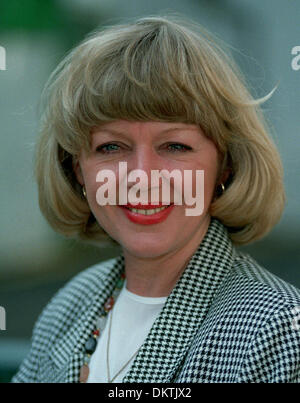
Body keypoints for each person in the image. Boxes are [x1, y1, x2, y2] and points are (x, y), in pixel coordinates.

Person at [12, 15, 300, 383]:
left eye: (175, 145)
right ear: (77, 169)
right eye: (111, 146)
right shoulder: (72, 303)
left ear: (224, 167)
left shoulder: (278, 331)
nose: (142, 177)